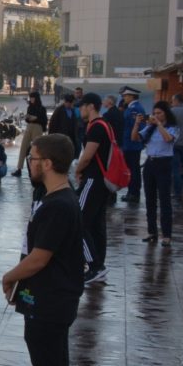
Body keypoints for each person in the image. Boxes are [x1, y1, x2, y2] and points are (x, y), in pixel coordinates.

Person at [3, 134, 84, 366]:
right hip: (53, 299)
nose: (30, 162)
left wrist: (8, 277)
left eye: (33, 157)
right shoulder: (60, 199)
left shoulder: (58, 205)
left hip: (50, 303)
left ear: (47, 163)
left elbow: (38, 259)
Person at [72, 93, 113, 284]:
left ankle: (95, 265)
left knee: (76, 221)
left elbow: (87, 156)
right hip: (101, 181)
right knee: (96, 224)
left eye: (82, 107)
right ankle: (98, 265)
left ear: (90, 107)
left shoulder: (97, 127)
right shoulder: (105, 125)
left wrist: (78, 171)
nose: (80, 110)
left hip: (93, 180)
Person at [133, 101, 179, 247]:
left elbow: (168, 139)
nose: (156, 116)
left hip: (164, 163)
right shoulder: (150, 128)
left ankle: (166, 235)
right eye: (155, 113)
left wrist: (159, 124)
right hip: (150, 163)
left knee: (164, 200)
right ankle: (152, 232)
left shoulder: (173, 127)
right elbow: (134, 138)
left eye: (159, 113)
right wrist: (137, 123)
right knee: (149, 199)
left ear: (166, 113)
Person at [119, 86, 147, 205]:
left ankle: (134, 193)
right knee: (132, 169)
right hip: (129, 143)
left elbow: (138, 127)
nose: (124, 98)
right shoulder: (132, 108)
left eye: (125, 96)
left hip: (132, 144)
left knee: (133, 170)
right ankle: (132, 192)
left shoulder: (135, 109)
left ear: (131, 96)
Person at [11, 92, 48, 177]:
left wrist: (36, 118)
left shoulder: (42, 109)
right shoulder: (29, 107)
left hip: (37, 128)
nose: (31, 99)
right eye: (30, 98)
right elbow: (27, 120)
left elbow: (44, 120)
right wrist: (28, 118)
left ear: (36, 98)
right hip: (29, 127)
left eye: (33, 98)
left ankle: (38, 169)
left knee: (37, 149)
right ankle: (19, 169)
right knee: (23, 147)